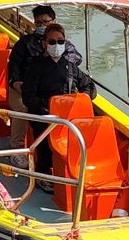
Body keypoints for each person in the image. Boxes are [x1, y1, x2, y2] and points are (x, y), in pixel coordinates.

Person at [18, 21, 96, 178]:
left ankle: (72, 173)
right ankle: (42, 174)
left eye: (60, 41)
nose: (56, 45)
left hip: (68, 118)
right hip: (44, 116)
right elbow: (28, 96)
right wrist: (47, 106)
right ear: (45, 44)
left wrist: (80, 100)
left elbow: (89, 87)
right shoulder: (35, 68)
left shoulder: (70, 66)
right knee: (45, 152)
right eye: (52, 42)